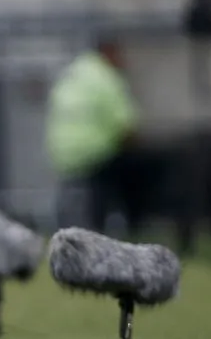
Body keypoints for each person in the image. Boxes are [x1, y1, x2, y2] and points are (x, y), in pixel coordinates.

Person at [45, 36, 161, 236]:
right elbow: (126, 127)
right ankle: (135, 228)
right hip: (95, 154)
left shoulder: (72, 73)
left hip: (62, 155)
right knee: (144, 171)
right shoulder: (107, 78)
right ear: (109, 52)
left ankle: (79, 228)